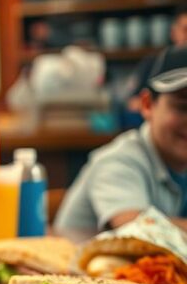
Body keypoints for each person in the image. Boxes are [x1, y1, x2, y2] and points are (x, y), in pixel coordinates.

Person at [55, 57, 187, 232]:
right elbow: (136, 229)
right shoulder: (117, 161)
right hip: (71, 258)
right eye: (182, 107)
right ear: (147, 105)